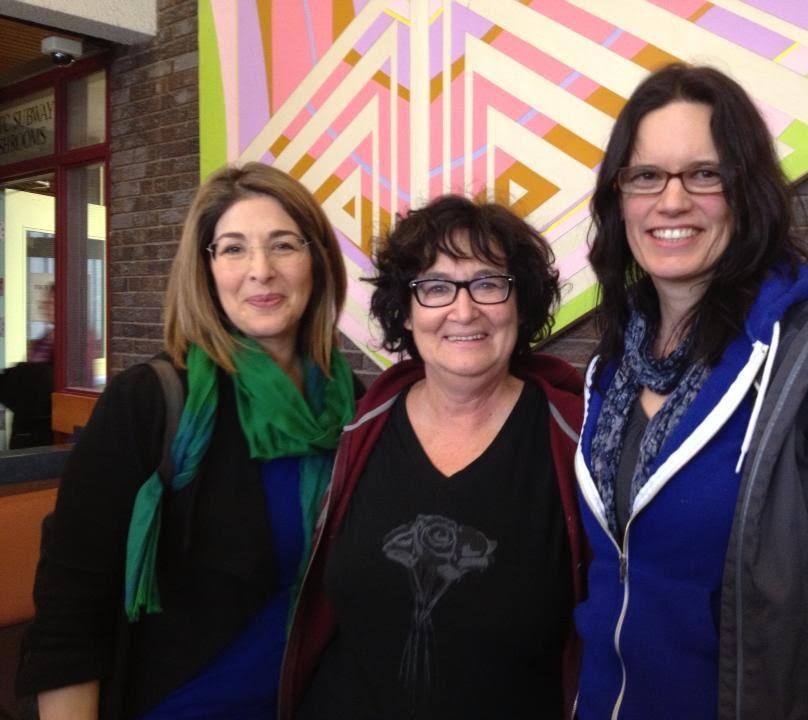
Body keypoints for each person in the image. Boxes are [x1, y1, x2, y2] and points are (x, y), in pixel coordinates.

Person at [574, 63, 808, 719]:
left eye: (705, 173)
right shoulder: (611, 364)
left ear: (748, 189)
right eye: (645, 176)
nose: (671, 201)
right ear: (618, 197)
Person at [16, 162, 356, 719]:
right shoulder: (149, 403)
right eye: (233, 248)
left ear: (316, 261)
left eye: (283, 245)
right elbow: (70, 609)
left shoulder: (357, 412)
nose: (261, 270)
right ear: (205, 268)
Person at [280, 195, 586, 719]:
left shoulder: (577, 441)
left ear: (522, 301)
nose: (463, 310)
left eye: (488, 283)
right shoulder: (359, 430)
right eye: (436, 287)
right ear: (406, 308)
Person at [0, 284, 55, 449]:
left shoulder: (75, 342)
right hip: (27, 425)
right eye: (45, 302)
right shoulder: (42, 341)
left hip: (45, 428)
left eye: (51, 302)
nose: (45, 306)